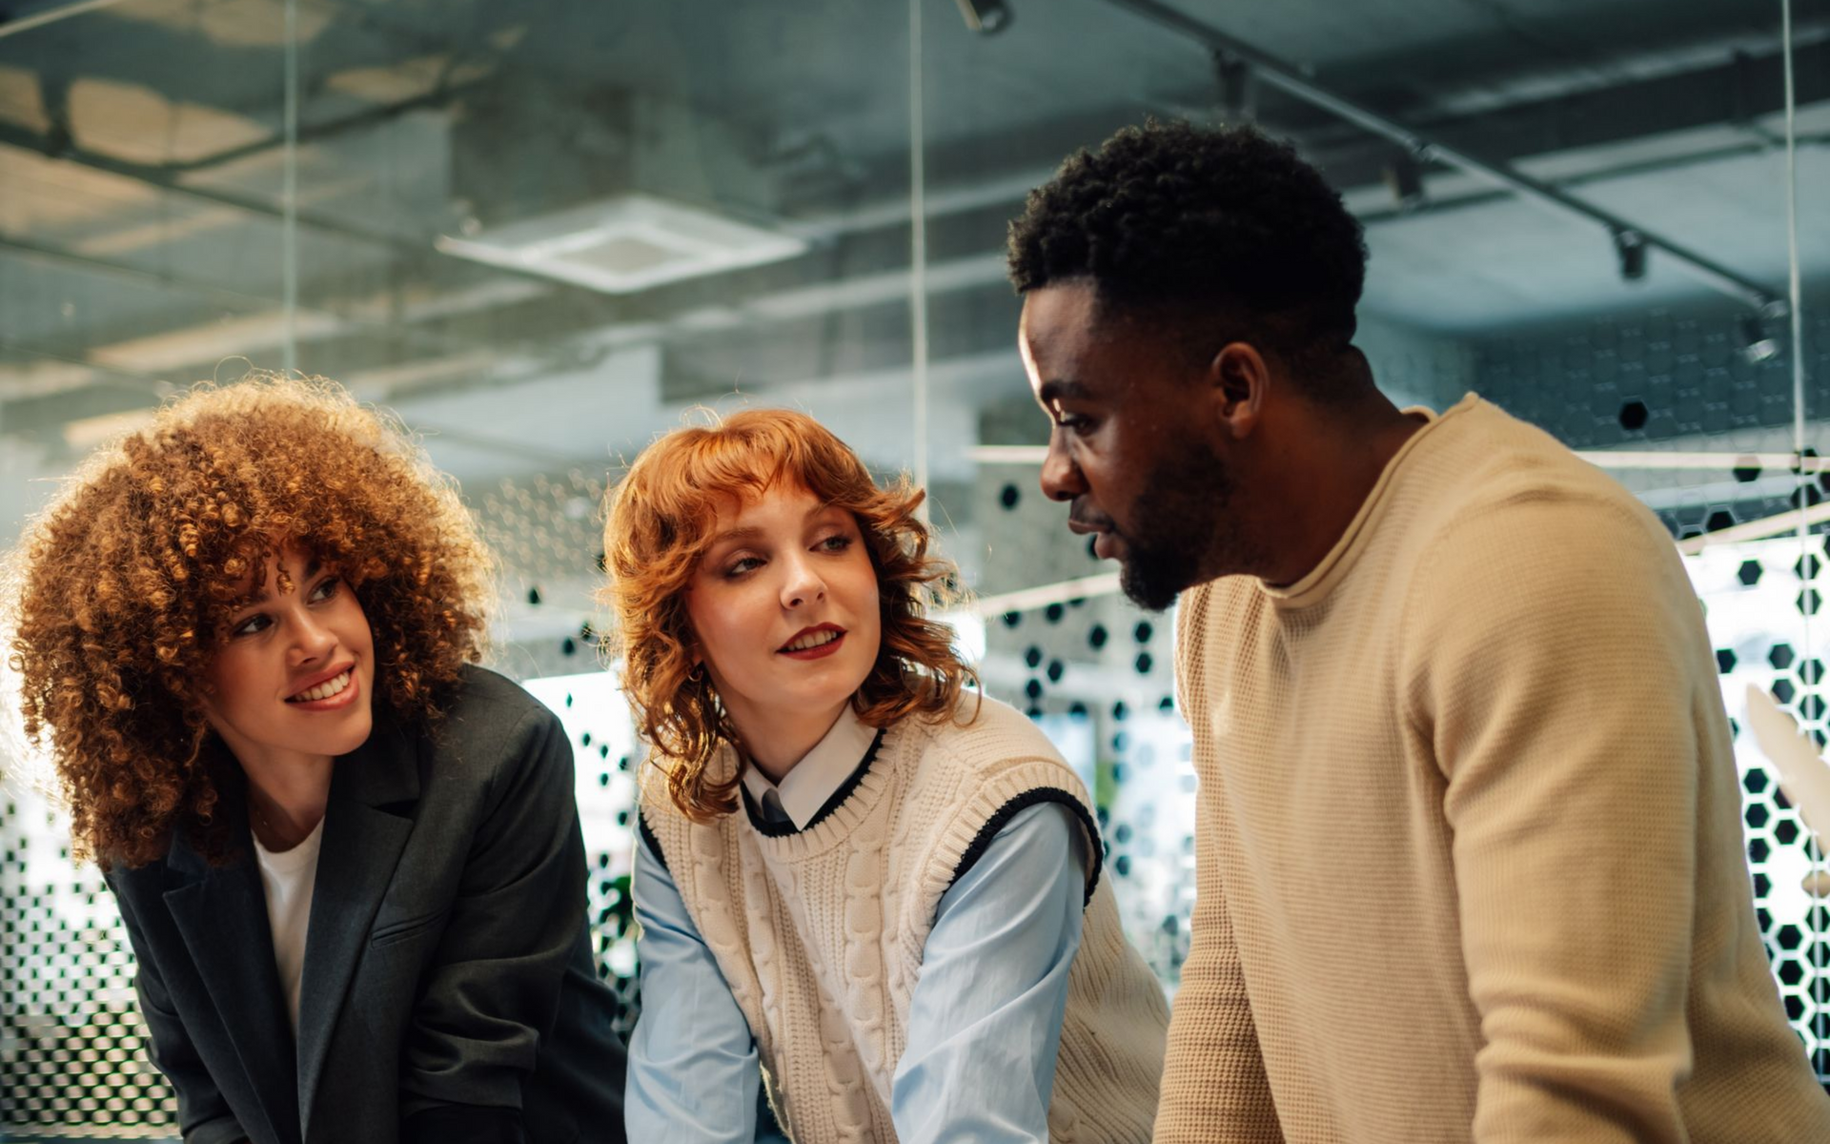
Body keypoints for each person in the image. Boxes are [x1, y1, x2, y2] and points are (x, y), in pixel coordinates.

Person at [1007, 120, 1830, 1142]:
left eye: (1079, 418)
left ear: (1235, 388)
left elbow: (1572, 1093)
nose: (1053, 471)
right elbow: (1231, 993)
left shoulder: (1532, 562)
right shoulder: (1228, 608)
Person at [2, 375, 627, 1144]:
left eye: (324, 588)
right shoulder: (152, 838)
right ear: (171, 672)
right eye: (254, 622)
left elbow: (464, 1094)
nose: (316, 640)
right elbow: (212, 1102)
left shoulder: (494, 751)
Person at [603, 408, 1167, 1144]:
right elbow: (687, 1113)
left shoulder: (993, 787)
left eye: (832, 542)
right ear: (680, 623)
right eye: (745, 563)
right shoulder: (686, 811)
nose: (804, 584)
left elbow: (968, 1131)